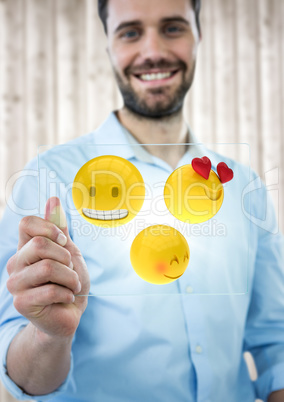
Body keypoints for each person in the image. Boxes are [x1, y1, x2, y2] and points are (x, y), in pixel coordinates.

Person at [0, 0, 283, 401]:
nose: (152, 51)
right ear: (109, 47)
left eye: (172, 28)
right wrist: (47, 335)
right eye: (130, 32)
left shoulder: (244, 187)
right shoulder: (50, 179)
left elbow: (276, 344)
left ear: (198, 37)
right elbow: (18, 371)